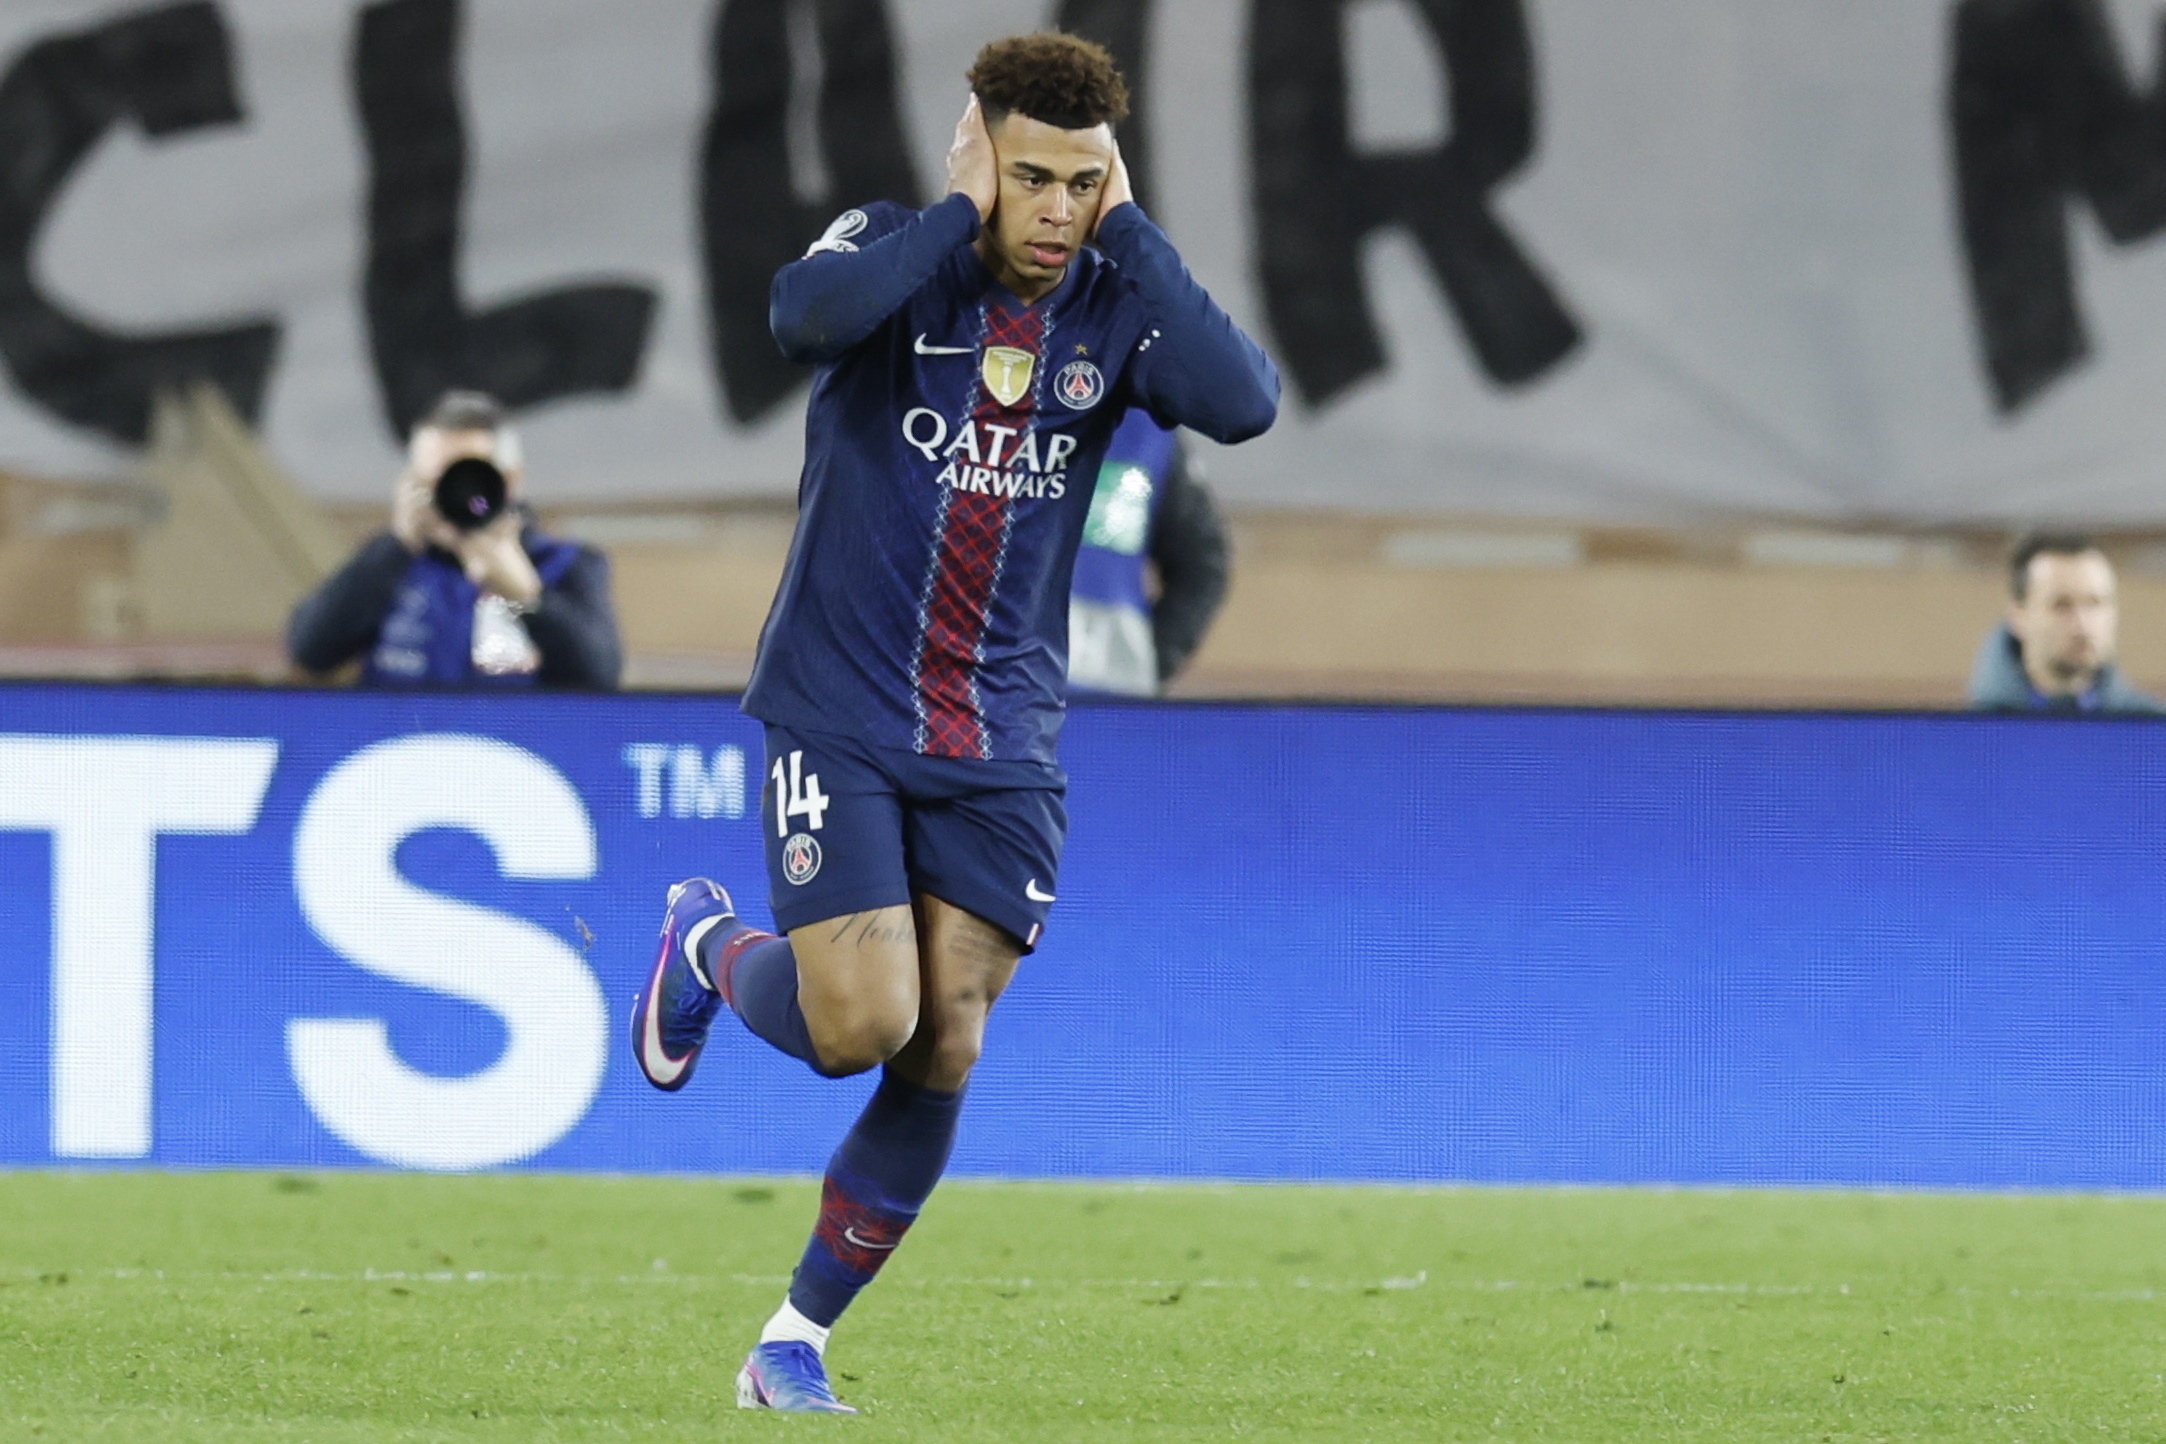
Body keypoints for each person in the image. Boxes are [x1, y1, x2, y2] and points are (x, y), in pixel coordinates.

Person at [628, 32, 1278, 1414]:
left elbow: (1245, 402)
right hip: (841, 710)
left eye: (1083, 184)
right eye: (1030, 176)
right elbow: (799, 320)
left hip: (1000, 737)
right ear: (975, 153)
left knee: (948, 1039)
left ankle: (791, 1342)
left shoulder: (1114, 302)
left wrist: (1133, 231)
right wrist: (952, 209)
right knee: (859, 1024)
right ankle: (705, 941)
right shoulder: (891, 251)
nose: (1055, 211)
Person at [286, 391, 621, 689]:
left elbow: (601, 678)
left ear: (511, 479)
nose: (457, 493)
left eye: (470, 476)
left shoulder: (562, 565)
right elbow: (310, 651)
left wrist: (525, 599)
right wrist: (400, 545)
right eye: (438, 478)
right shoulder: (388, 567)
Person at [1067, 408, 1230, 695]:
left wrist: (1151, 664)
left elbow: (1202, 564)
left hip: (1110, 702)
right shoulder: (987, 415)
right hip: (998, 700)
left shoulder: (1148, 428)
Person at [1968, 531, 2159, 713]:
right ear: (2018, 618)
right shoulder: (1975, 731)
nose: (2082, 624)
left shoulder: (2151, 730)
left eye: (2095, 603)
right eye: (2061, 605)